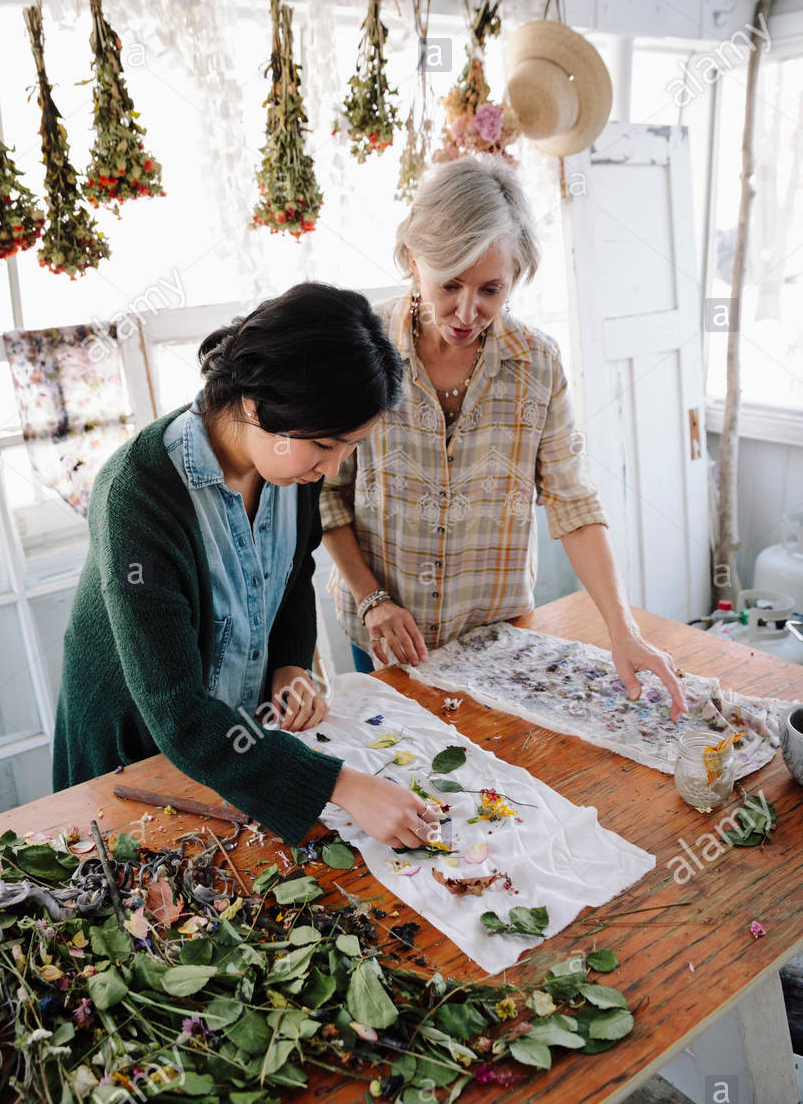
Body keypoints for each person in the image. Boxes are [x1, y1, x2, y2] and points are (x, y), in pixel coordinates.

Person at [53, 283, 442, 848]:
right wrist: (345, 787)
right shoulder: (136, 499)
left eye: (348, 449)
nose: (332, 469)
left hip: (235, 739)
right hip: (136, 758)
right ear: (257, 408)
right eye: (326, 445)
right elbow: (179, 714)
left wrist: (288, 663)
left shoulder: (290, 470)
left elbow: (291, 570)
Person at [320, 156, 688, 720]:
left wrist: (624, 629)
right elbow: (327, 494)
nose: (468, 312)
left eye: (491, 289)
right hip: (385, 629)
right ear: (414, 260)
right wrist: (373, 600)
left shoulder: (537, 364)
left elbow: (573, 502)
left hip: (498, 639)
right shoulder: (364, 345)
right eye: (450, 285)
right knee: (405, 771)